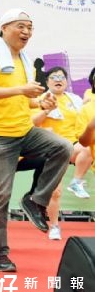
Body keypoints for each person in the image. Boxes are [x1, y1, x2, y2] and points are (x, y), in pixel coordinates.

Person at [0, 8, 71, 273]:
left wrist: (40, 100)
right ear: (4, 28)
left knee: (62, 147)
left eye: (30, 27)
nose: (26, 32)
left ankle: (35, 200)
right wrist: (22, 89)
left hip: (24, 131)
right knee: (1, 196)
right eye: (21, 26)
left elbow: (24, 99)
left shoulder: (24, 60)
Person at [31, 66, 92, 240]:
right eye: (54, 77)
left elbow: (87, 108)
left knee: (87, 148)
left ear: (66, 82)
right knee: (55, 191)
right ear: (47, 81)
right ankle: (55, 226)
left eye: (62, 77)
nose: (58, 79)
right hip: (51, 147)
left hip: (72, 144)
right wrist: (46, 111)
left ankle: (76, 181)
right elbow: (32, 122)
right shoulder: (40, 99)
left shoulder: (74, 100)